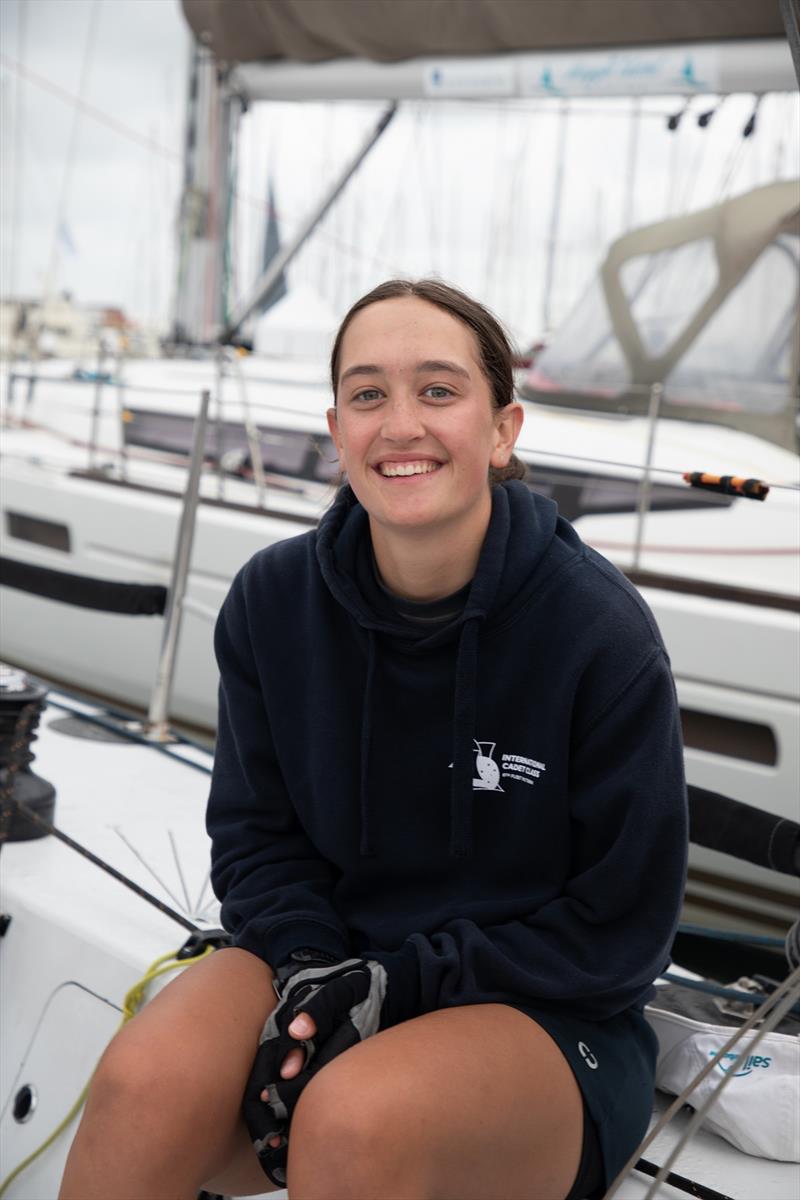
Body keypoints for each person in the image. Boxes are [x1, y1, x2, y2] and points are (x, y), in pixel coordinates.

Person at [60, 279, 687, 1200]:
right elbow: (257, 839)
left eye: (438, 390)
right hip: (321, 964)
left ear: (503, 428)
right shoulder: (274, 603)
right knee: (139, 1082)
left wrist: (394, 986)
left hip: (543, 1012)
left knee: (355, 1121)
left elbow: (621, 933)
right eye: (368, 394)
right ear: (336, 428)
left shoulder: (598, 634)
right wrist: (316, 968)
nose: (401, 424)